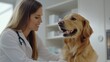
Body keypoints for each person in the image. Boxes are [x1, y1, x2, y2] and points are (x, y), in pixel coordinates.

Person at [0, 0, 65, 62]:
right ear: (24, 17)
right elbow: (23, 61)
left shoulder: (34, 36)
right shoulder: (8, 35)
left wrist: (65, 59)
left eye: (41, 17)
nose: (41, 21)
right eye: (37, 17)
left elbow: (49, 56)